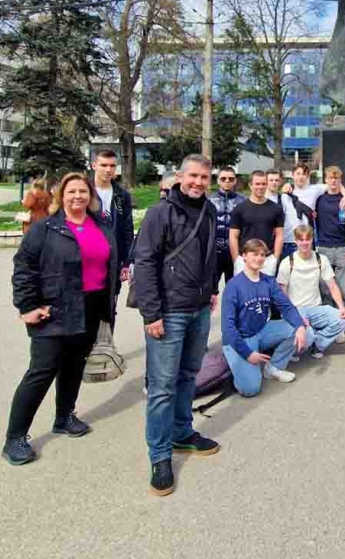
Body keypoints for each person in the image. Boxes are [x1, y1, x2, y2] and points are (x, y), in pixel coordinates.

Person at [3, 173, 118, 466]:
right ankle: (15, 437)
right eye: (71, 192)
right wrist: (27, 305)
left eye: (83, 191)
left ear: (90, 195)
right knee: (41, 372)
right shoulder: (45, 229)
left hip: (91, 308)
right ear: (61, 196)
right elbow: (24, 268)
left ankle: (64, 416)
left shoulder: (101, 227)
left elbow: (110, 265)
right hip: (53, 309)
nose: (77, 196)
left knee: (73, 366)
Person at [132, 155, 221, 496]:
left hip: (198, 308)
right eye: (193, 176)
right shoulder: (160, 213)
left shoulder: (209, 210)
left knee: (188, 376)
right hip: (168, 311)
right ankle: (159, 454)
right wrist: (151, 314)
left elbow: (210, 253)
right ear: (180, 176)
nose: (198, 182)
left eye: (204, 177)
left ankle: (183, 432)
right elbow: (145, 262)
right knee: (162, 387)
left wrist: (212, 289)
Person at [222, 239, 312, 396]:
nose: (259, 258)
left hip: (261, 330)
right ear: (244, 256)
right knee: (251, 389)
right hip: (240, 338)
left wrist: (299, 326)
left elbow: (286, 306)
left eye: (262, 255)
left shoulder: (268, 281)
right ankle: (238, 365)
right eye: (254, 254)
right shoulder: (233, 286)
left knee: (304, 331)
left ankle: (273, 368)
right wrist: (247, 354)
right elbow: (228, 328)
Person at [276, 225, 345, 357]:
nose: (304, 243)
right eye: (301, 239)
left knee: (344, 319)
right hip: (296, 309)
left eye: (307, 239)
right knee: (306, 334)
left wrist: (341, 308)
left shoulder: (321, 259)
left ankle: (317, 344)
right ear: (296, 241)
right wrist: (293, 315)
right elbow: (282, 293)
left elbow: (332, 286)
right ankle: (296, 348)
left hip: (315, 308)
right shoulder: (287, 262)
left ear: (312, 240)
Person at [91, 150, 134, 309]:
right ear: (94, 165)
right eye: (104, 165)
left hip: (113, 260)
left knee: (109, 310)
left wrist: (127, 261)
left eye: (112, 166)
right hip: (88, 260)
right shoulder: (83, 192)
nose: (108, 170)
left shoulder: (122, 196)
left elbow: (128, 230)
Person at [313, 166, 345, 323]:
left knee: (342, 289)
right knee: (325, 290)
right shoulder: (319, 200)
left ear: (340, 181)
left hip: (343, 247)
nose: (333, 181)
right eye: (331, 178)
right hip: (323, 248)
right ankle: (328, 322)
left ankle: (341, 325)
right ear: (326, 180)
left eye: (337, 178)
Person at [229, 170, 284, 276]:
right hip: (244, 260)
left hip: (267, 260)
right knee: (243, 292)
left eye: (264, 184)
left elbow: (279, 235)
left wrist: (275, 258)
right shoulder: (239, 209)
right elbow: (233, 236)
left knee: (265, 292)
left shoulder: (276, 209)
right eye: (257, 184)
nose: (261, 187)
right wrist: (236, 259)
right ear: (250, 185)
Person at [211, 167, 244, 289]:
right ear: (218, 180)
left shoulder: (243, 201)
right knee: (210, 291)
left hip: (235, 252)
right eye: (223, 178)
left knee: (234, 290)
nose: (227, 181)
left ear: (235, 181)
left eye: (230, 179)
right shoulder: (209, 201)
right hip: (215, 253)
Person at [267, 169, 304, 261]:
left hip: (285, 244)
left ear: (280, 182)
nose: (274, 183)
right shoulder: (261, 200)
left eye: (276, 180)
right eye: (271, 180)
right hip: (266, 245)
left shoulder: (285, 198)